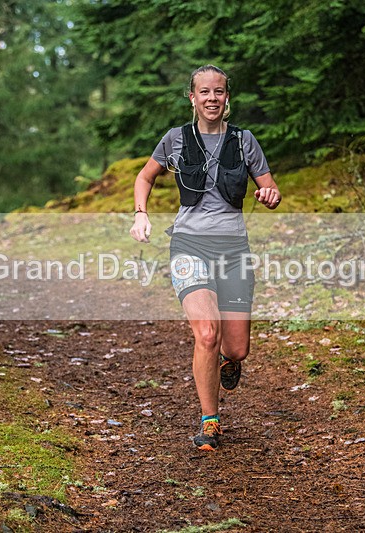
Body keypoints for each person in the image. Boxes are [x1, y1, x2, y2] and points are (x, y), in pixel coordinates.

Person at [129, 65, 281, 451]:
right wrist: (141, 214)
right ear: (192, 97)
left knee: (237, 348)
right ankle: (209, 420)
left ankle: (229, 360)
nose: (212, 98)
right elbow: (145, 177)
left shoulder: (244, 141)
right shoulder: (176, 139)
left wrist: (269, 196)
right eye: (204, 92)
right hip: (189, 245)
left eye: (219, 91)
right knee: (207, 334)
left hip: (233, 250)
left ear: (227, 98)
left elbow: (271, 189)